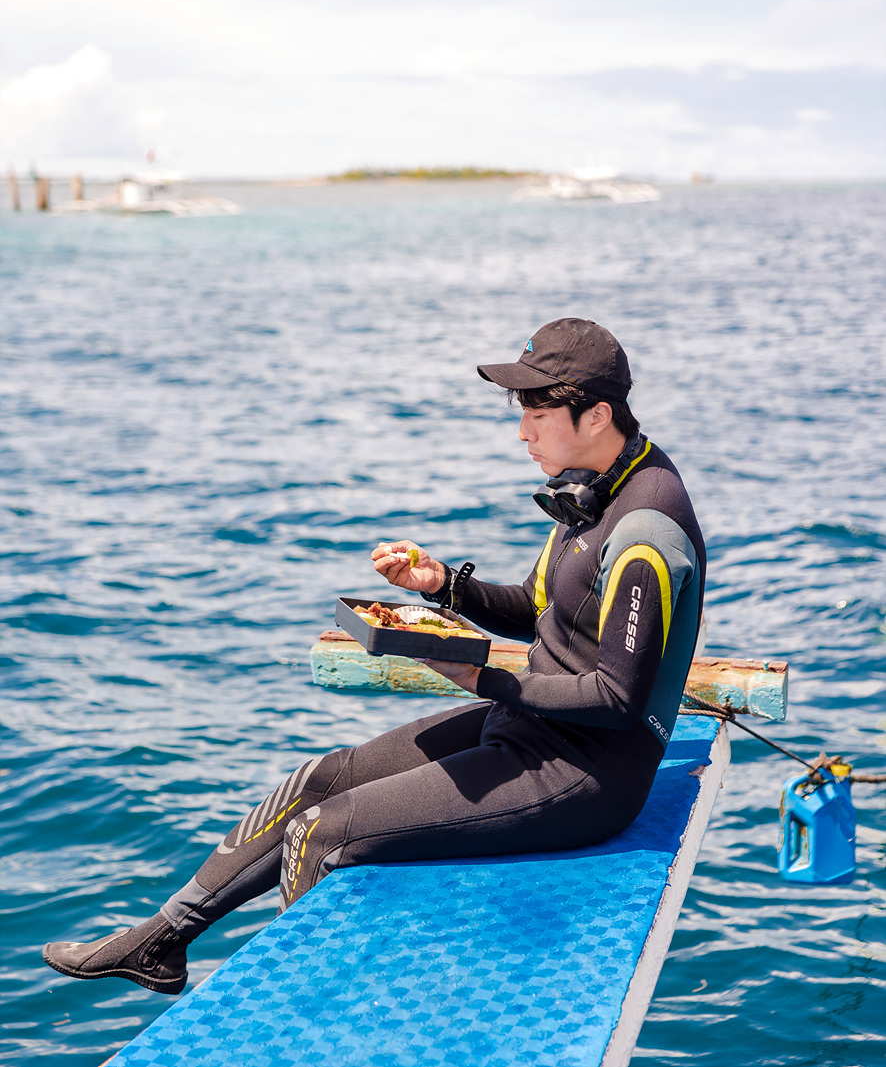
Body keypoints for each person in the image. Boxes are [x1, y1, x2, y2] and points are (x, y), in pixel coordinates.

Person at [43, 317, 705, 996]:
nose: (523, 431)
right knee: (317, 781)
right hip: (527, 727)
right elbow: (541, 610)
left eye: (538, 412)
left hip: (584, 770)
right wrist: (443, 584)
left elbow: (618, 701)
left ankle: (304, 1016)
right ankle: (160, 941)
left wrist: (484, 676)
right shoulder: (591, 489)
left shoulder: (645, 527)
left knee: (320, 834)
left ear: (596, 414)